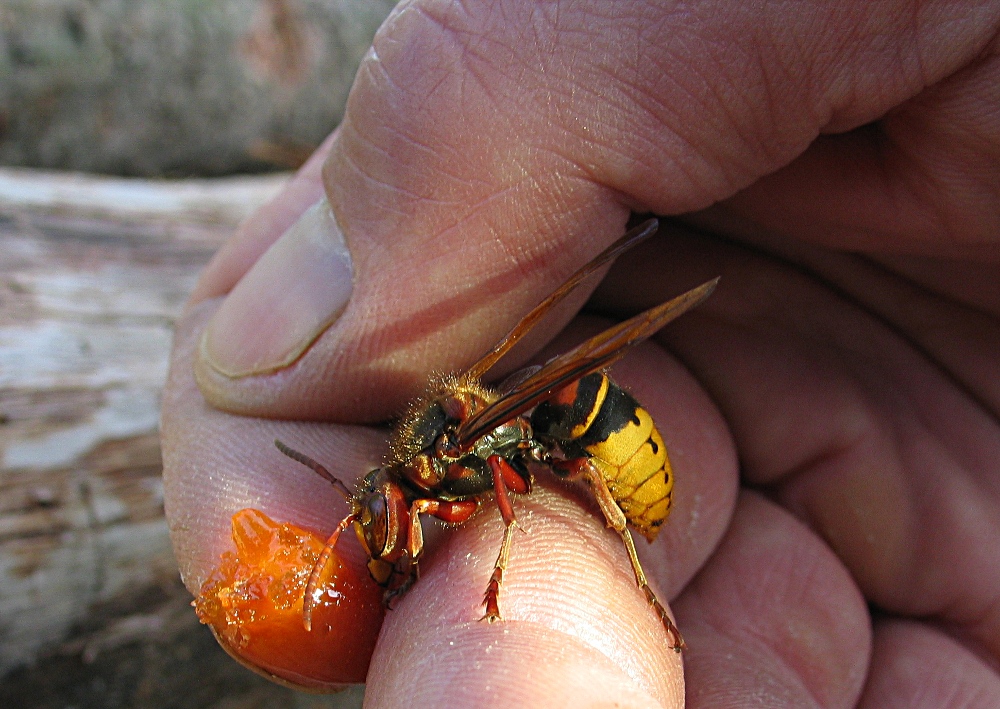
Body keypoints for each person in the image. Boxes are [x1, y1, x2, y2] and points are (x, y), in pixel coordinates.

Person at [161, 1, 1000, 705]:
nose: (381, 533)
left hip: (608, 434)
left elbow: (502, 481)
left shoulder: (455, 458)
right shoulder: (423, 471)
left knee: (572, 492)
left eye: (379, 524)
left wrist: (495, 578)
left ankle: (612, 575)